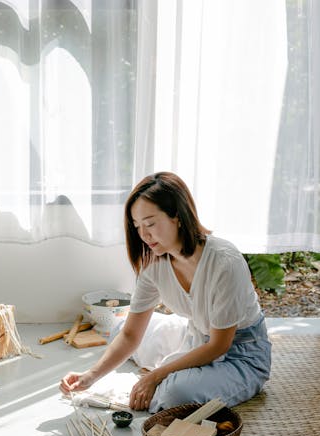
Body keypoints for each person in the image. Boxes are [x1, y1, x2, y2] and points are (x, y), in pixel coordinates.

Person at [60, 172, 271, 412]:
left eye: (150, 224)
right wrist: (90, 376)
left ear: (178, 216)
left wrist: (154, 377)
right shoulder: (154, 263)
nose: (144, 235)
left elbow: (218, 346)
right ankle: (174, 361)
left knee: (172, 394)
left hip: (239, 354)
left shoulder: (225, 261)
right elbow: (130, 335)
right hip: (196, 335)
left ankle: (174, 373)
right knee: (118, 329)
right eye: (137, 226)